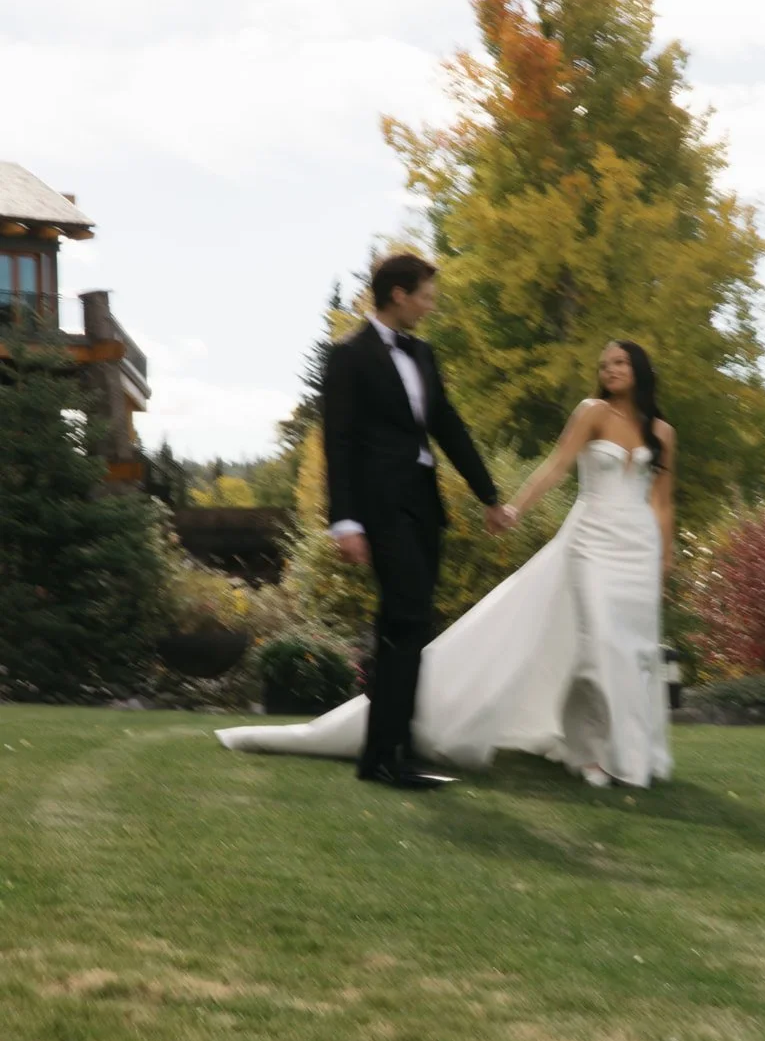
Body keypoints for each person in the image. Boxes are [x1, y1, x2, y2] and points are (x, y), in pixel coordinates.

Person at [217, 336, 675, 789]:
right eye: (605, 363)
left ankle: (629, 753)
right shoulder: (591, 412)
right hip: (591, 540)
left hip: (637, 549)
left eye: (619, 362)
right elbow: (555, 467)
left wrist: (664, 558)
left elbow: (662, 504)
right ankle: (591, 752)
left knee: (632, 649)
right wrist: (512, 507)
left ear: (640, 369)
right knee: (599, 643)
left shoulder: (663, 433)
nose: (610, 369)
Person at [278, 252, 508, 792]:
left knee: (408, 625)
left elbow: (448, 426)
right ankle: (387, 756)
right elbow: (337, 441)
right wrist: (344, 522)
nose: (430, 305)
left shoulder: (424, 355)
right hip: (379, 509)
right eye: (425, 294)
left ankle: (384, 751)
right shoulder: (348, 357)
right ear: (399, 294)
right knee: (406, 617)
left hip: (423, 506)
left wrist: (489, 495)